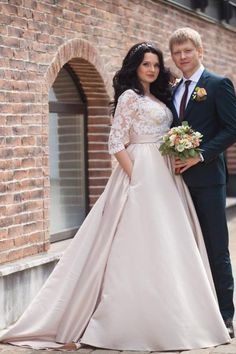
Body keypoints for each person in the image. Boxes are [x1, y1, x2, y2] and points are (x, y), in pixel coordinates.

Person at [0, 43, 231, 351]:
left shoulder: (161, 97)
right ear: (134, 67)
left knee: (171, 241)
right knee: (135, 242)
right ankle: (124, 319)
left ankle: (177, 313)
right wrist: (136, 177)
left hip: (166, 174)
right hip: (141, 172)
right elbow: (115, 142)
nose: (151, 69)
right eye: (145, 64)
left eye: (155, 65)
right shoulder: (129, 97)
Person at [169, 27, 236, 338]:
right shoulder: (174, 90)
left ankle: (225, 316)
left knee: (216, 247)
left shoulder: (218, 84)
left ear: (199, 51)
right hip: (175, 182)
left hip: (209, 180)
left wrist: (201, 156)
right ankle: (193, 310)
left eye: (187, 51)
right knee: (185, 248)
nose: (182, 57)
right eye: (177, 52)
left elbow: (231, 129)